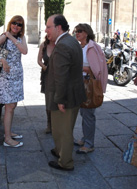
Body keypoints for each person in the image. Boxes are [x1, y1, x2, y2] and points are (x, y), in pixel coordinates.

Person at [44, 14, 86, 171]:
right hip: (72, 94)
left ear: (58, 27)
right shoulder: (71, 40)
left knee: (64, 130)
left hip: (65, 97)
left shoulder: (62, 45)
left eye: (48, 26)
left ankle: (65, 162)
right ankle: (59, 151)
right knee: (61, 128)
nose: (46, 30)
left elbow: (61, 76)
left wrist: (60, 100)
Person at [0, 15, 28, 148]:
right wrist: (2, 59)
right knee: (9, 106)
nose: (16, 26)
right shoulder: (4, 36)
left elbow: (25, 51)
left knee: (13, 105)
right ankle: (7, 138)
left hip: (17, 75)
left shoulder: (21, 38)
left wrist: (13, 38)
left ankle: (9, 132)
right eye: (14, 23)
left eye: (19, 24)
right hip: (6, 76)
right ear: (10, 24)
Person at [73, 23, 108, 154]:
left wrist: (77, 66)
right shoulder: (80, 46)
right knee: (83, 112)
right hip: (80, 82)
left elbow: (95, 69)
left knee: (88, 114)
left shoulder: (92, 47)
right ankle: (85, 138)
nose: (77, 33)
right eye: (76, 31)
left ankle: (89, 143)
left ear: (86, 33)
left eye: (80, 31)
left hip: (89, 84)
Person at [37, 35, 55, 134]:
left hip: (58, 75)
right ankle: (49, 124)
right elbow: (39, 60)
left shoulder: (59, 45)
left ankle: (57, 123)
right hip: (47, 75)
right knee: (48, 100)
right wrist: (44, 67)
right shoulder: (43, 45)